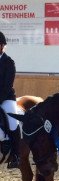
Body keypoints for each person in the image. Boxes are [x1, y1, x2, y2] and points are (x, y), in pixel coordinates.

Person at [0, 31, 20, 168]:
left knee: (13, 122)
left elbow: (7, 86)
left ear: (1, 46)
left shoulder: (8, 62)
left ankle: (16, 155)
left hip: (6, 98)